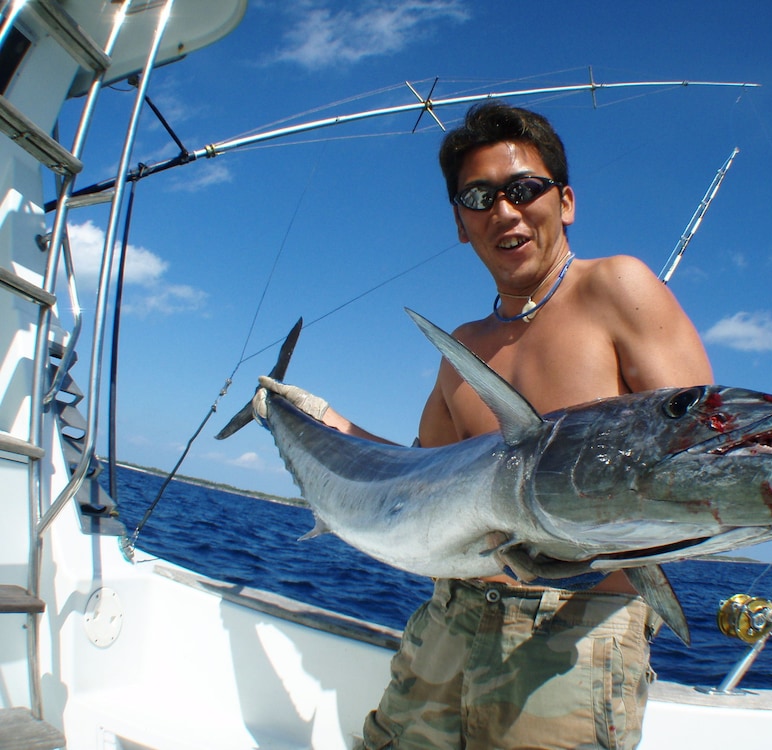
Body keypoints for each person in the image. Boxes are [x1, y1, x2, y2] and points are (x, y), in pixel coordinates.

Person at [261, 102, 713, 749]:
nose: (504, 210)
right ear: (460, 223)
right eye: (479, 197)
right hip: (453, 616)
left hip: (578, 628)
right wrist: (315, 418)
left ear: (565, 201)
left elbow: (701, 463)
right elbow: (418, 481)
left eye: (524, 188)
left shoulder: (618, 287)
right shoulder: (462, 351)